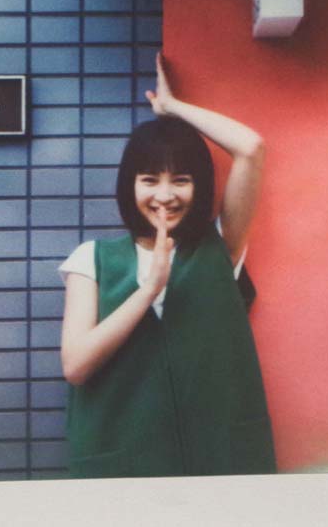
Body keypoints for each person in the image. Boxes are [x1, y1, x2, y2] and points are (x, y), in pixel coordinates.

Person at [58, 52, 276, 478]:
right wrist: (148, 291)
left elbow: (250, 147)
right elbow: (76, 366)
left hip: (218, 459)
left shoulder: (220, 248)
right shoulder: (92, 259)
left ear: (198, 186)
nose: (164, 195)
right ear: (130, 186)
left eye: (181, 180)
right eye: (149, 180)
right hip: (125, 463)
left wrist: (172, 107)